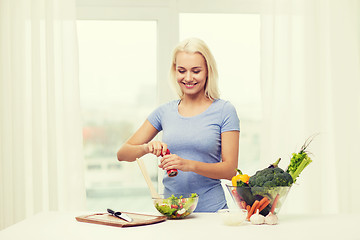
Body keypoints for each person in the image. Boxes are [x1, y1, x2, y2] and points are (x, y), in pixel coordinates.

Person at [117, 38, 240, 212]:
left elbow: (230, 170)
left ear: (207, 72)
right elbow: (122, 154)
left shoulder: (224, 111)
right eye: (182, 70)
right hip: (173, 213)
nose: (188, 78)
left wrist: (188, 164)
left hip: (212, 212)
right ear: (175, 71)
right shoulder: (164, 112)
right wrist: (146, 148)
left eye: (196, 71)